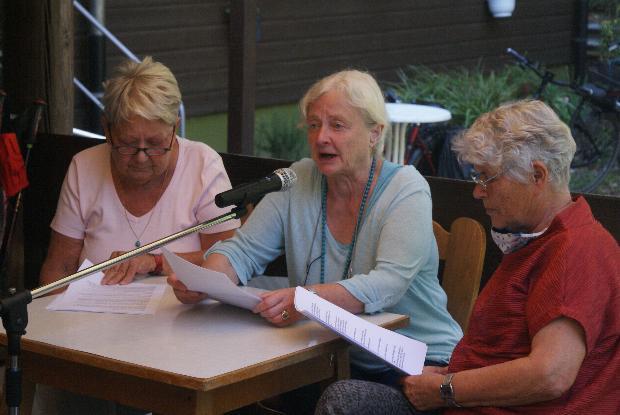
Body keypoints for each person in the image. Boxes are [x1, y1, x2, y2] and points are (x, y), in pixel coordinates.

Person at [315, 99, 620, 415]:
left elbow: (551, 373)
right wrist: (451, 377)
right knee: (346, 399)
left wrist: (446, 389)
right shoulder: (538, 241)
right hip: (465, 399)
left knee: (344, 402)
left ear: (537, 175)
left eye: (487, 178)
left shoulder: (576, 250)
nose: (478, 192)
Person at [168, 69, 462, 386]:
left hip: (415, 364)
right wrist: (206, 281)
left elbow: (388, 284)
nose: (321, 137)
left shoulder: (406, 187)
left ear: (374, 133)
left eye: (337, 125)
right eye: (313, 125)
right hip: (326, 357)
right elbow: (243, 250)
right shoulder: (299, 178)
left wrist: (305, 300)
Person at [40, 56, 238, 288]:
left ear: (174, 128)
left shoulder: (202, 166)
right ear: (107, 129)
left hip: (182, 318)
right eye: (128, 144)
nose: (141, 157)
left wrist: (154, 262)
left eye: (155, 143)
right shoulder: (84, 167)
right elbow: (59, 268)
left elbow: (230, 259)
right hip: (95, 317)